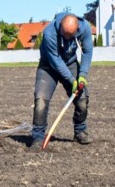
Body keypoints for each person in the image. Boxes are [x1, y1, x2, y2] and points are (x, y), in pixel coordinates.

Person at [30, 12, 94, 148]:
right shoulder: (49, 33)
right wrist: (72, 80)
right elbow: (56, 61)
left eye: (70, 35)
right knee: (40, 100)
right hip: (48, 66)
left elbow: (87, 52)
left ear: (77, 28)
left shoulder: (85, 28)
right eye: (64, 34)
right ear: (60, 25)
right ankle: (37, 137)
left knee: (82, 99)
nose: (66, 37)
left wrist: (82, 75)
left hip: (70, 64)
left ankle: (80, 131)